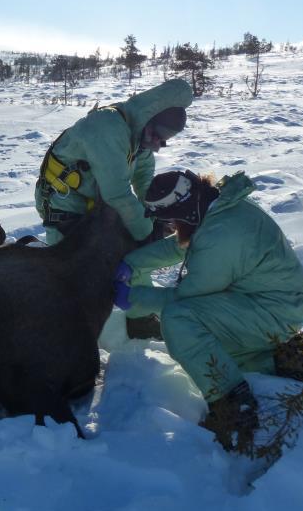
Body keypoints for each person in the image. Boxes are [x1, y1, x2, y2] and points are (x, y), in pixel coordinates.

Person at [113, 169, 303, 452]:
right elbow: (182, 247)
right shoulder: (218, 210)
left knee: (180, 320)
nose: (170, 226)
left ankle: (233, 404)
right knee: (208, 334)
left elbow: (186, 296)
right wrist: (134, 263)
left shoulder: (221, 233)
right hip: (271, 304)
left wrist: (134, 298)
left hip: (273, 313)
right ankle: (273, 359)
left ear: (187, 212)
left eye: (171, 219)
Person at [34, 78, 193, 338]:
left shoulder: (139, 136)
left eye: (163, 142)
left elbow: (144, 184)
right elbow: (117, 193)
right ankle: (57, 331)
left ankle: (139, 318)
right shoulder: (106, 127)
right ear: (148, 119)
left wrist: (156, 216)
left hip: (96, 204)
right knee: (64, 268)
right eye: (156, 136)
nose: (155, 145)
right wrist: (146, 231)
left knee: (136, 254)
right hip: (62, 205)